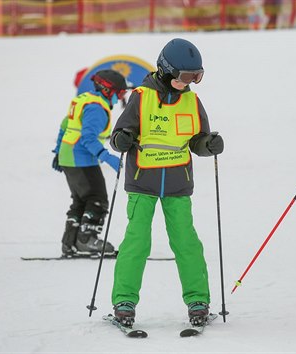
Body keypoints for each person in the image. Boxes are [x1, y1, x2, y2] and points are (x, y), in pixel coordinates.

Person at [108, 38, 224, 328]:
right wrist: (121, 139)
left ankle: (198, 300)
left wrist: (208, 145)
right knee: (137, 242)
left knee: (186, 242)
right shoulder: (141, 97)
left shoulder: (192, 101)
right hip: (142, 182)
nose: (191, 83)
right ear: (166, 70)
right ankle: (124, 301)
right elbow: (118, 135)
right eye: (187, 77)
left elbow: (198, 139)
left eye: (197, 76)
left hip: (177, 183)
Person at [52, 69, 128, 256]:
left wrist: (58, 152)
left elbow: (65, 126)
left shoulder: (83, 99)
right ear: (108, 90)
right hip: (82, 159)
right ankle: (86, 240)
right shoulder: (97, 108)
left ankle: (70, 242)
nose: (119, 99)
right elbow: (88, 138)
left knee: (80, 200)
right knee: (97, 199)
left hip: (69, 156)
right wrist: (107, 156)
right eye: (119, 94)